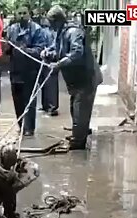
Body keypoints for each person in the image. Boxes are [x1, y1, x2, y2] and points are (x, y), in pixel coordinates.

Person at [44, 6, 102, 150]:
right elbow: (59, 50)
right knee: (74, 109)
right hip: (75, 80)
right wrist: (49, 53)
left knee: (80, 111)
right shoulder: (60, 32)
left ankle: (78, 144)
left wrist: (58, 64)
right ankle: (78, 135)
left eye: (50, 22)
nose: (49, 25)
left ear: (57, 20)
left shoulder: (73, 32)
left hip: (86, 78)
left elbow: (76, 53)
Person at [5, 5, 46, 136]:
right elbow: (7, 50)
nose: (22, 15)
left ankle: (29, 128)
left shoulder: (37, 29)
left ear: (29, 14)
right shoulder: (12, 29)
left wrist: (25, 50)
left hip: (30, 71)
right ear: (16, 15)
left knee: (29, 100)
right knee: (17, 100)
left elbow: (40, 50)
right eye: (19, 13)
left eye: (24, 13)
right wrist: (7, 46)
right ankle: (21, 125)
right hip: (15, 70)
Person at [39, 17, 59, 116]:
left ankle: (51, 106)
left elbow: (55, 47)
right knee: (46, 83)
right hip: (47, 59)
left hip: (50, 60)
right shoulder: (50, 32)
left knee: (49, 83)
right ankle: (47, 105)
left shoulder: (51, 33)